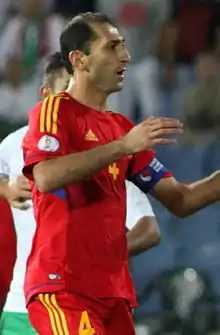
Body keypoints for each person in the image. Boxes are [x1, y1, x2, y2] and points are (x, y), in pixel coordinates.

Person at [0, 51, 160, 334]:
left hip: (82, 301)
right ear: (45, 94)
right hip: (21, 307)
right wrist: (8, 189)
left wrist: (100, 255)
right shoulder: (14, 144)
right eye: (66, 93)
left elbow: (148, 229)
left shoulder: (107, 152)